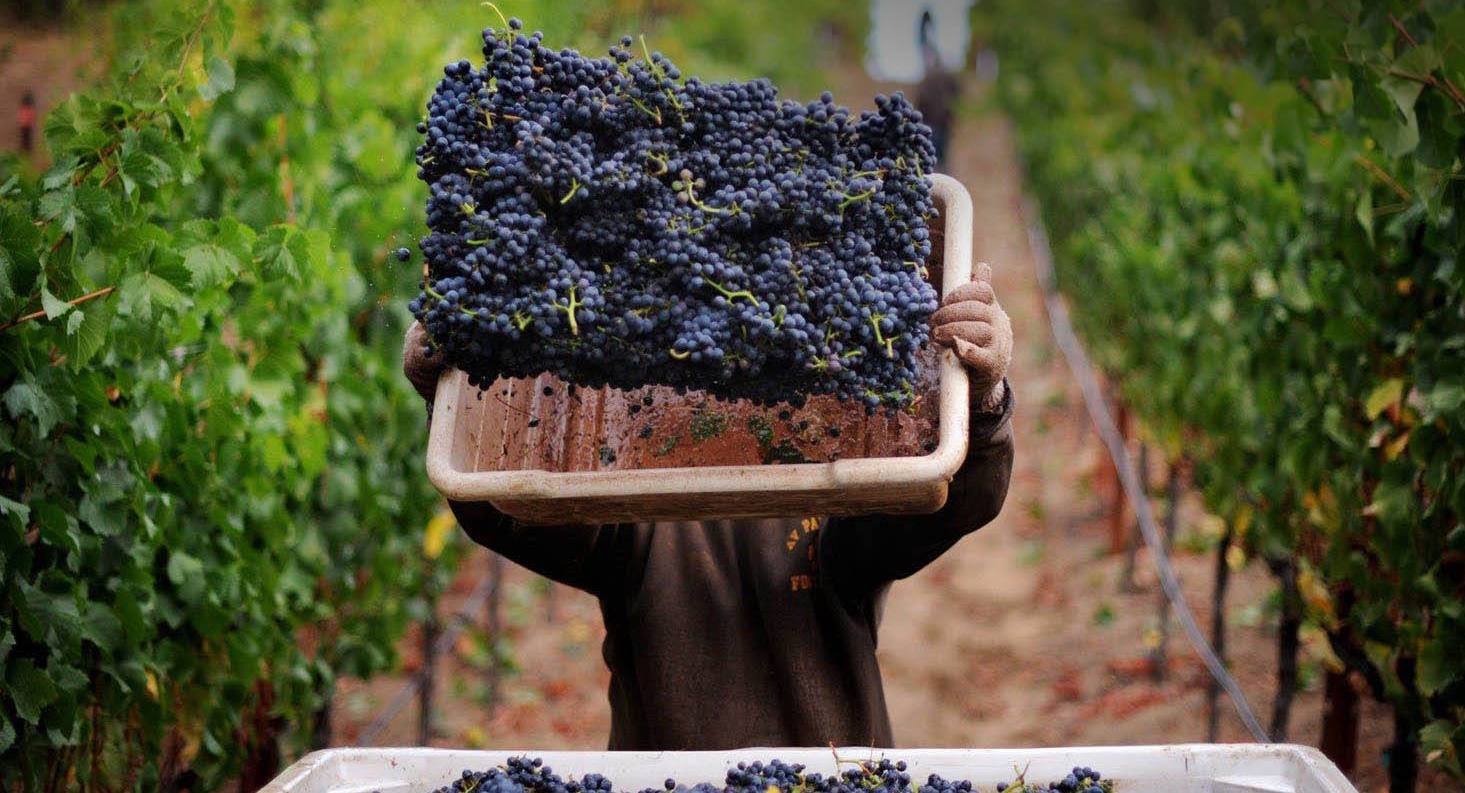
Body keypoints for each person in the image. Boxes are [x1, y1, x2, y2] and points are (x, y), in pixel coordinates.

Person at [402, 263, 1015, 750]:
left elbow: (956, 503)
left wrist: (981, 403)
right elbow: (505, 509)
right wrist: (456, 399)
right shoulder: (630, 503)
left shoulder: (839, 497)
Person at [912, 9, 961, 166]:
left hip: (935, 121)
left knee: (935, 151)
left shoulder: (932, 76)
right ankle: (941, 171)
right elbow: (957, 94)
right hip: (939, 121)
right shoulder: (947, 77)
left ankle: (939, 171)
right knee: (938, 152)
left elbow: (921, 98)